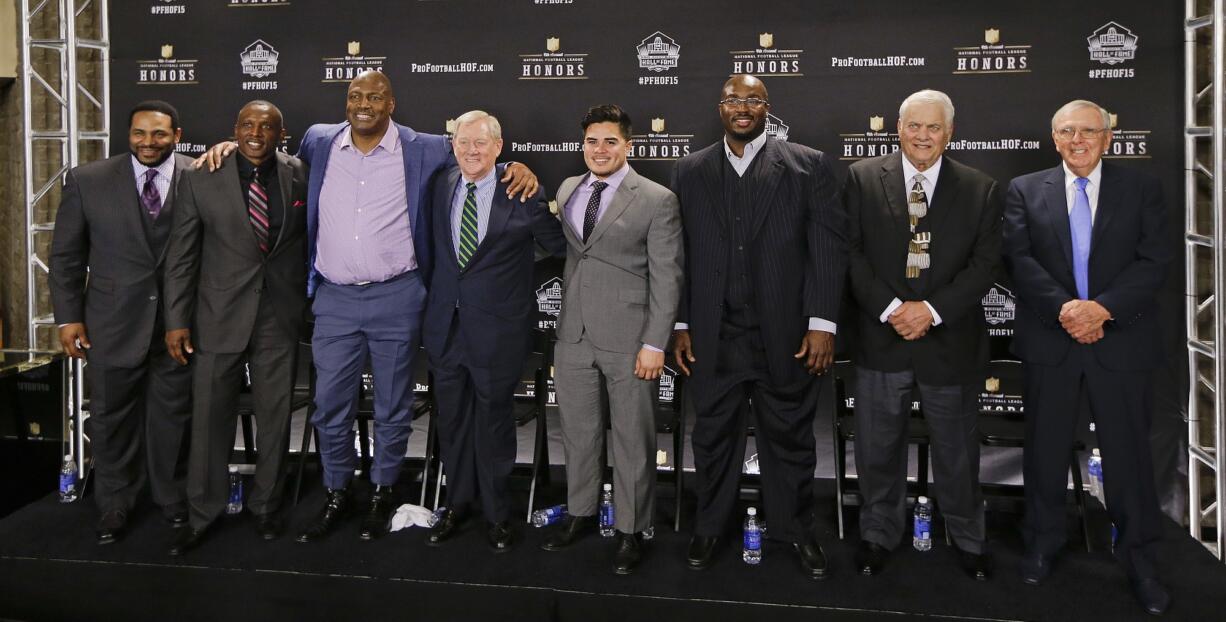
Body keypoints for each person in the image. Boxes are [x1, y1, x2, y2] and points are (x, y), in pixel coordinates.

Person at [197, 71, 538, 543]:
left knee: (394, 407)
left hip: (397, 295)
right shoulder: (318, 141)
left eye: (375, 96)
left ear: (392, 103)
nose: (363, 104)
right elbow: (263, 153)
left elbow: (478, 154)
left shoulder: (424, 147)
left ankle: (382, 492)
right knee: (328, 406)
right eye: (355, 95)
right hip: (334, 297)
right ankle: (336, 490)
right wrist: (226, 147)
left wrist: (516, 168)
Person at [670, 75, 846, 578]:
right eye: (732, 99)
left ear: (768, 107)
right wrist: (681, 323)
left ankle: (795, 530)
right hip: (712, 335)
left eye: (752, 100)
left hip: (787, 337)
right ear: (719, 107)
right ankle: (710, 526)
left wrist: (821, 324)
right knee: (712, 438)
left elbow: (827, 250)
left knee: (790, 440)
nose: (741, 108)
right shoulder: (690, 169)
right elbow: (677, 256)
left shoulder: (807, 165)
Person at [1004, 99, 1173, 615]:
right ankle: (1042, 542)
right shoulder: (1025, 190)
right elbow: (1018, 258)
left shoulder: (1142, 189)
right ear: (1054, 138)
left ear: (1107, 138)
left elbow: (1155, 260)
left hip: (1119, 341)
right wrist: (1067, 311)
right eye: (1066, 131)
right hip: (1050, 342)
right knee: (1045, 452)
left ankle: (1139, 557)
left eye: (1088, 131)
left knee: (1129, 458)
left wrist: (1102, 310)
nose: (1077, 140)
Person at [842, 89, 1000, 580]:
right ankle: (877, 535)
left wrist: (930, 311)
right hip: (881, 338)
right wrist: (892, 309)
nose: (923, 136)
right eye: (915, 126)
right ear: (898, 128)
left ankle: (968, 539)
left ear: (949, 133)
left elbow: (985, 265)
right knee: (877, 449)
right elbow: (849, 253)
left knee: (957, 452)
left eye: (934, 128)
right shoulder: (863, 178)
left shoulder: (981, 188)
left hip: (949, 344)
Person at [540, 104, 683, 575]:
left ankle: (631, 529)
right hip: (574, 333)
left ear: (629, 145)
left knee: (632, 441)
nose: (599, 150)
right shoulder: (567, 189)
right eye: (591, 142)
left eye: (610, 142)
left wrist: (655, 343)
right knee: (578, 435)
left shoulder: (656, 198)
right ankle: (580, 514)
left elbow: (667, 278)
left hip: (630, 338)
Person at [161, 100, 308, 555]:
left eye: (267, 126)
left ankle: (266, 506)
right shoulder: (200, 176)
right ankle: (203, 512)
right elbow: (182, 256)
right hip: (216, 317)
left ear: (281, 133)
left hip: (278, 318)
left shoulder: (299, 171)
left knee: (275, 418)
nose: (256, 133)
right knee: (209, 418)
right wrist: (176, 321)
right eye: (247, 124)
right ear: (234, 129)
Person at [49, 100, 194, 544]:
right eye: (138, 133)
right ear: (127, 133)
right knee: (111, 418)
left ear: (177, 134)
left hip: (179, 324)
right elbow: (66, 255)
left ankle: (172, 499)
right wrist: (68, 316)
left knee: (173, 416)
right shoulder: (88, 180)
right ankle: (114, 503)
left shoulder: (202, 174)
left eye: (158, 134)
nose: (147, 143)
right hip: (110, 322)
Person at [422, 110, 565, 552]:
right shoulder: (439, 185)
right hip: (446, 327)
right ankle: (456, 503)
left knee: (495, 422)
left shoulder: (521, 192)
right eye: (463, 142)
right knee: (452, 420)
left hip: (499, 332)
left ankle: (498, 511)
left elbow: (559, 247)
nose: (470, 151)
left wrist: (514, 284)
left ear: (499, 148)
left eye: (480, 143)